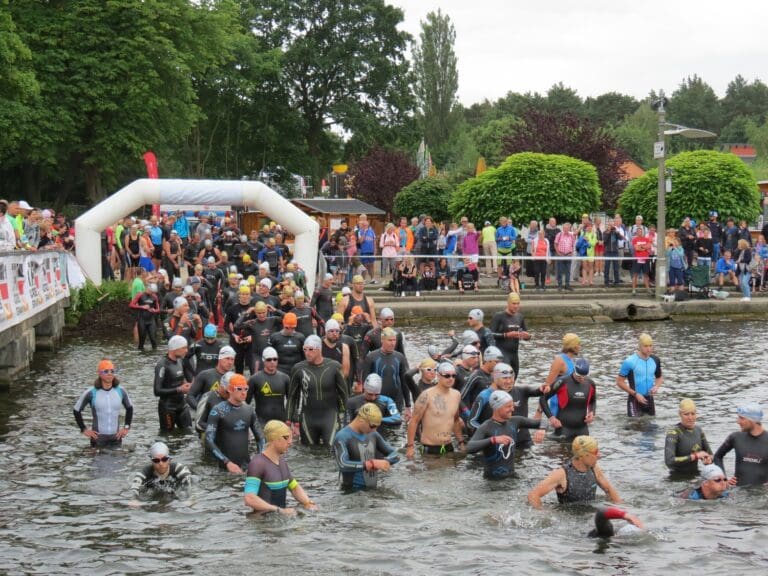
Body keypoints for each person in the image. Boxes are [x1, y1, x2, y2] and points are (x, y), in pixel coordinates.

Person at [466, 390, 547, 479]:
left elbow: (544, 422)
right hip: (492, 482)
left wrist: (542, 429)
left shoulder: (515, 421)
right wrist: (493, 440)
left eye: (512, 406)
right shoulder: (486, 426)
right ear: (497, 408)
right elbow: (469, 448)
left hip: (512, 477)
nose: (512, 409)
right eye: (508, 406)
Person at [244, 421, 317, 515]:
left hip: (280, 519)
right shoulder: (258, 463)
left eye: (291, 437)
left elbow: (294, 487)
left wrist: (308, 503)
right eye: (286, 438)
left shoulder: (281, 461)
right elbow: (249, 499)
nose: (290, 442)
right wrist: (279, 510)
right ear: (274, 439)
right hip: (262, 523)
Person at [287, 335, 348, 446]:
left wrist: (344, 417)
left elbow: (344, 394)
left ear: (319, 349)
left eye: (311, 349)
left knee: (331, 451)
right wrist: (289, 421)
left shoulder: (334, 366)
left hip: (330, 417)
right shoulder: (298, 369)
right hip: (307, 418)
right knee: (309, 454)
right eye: (305, 349)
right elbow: (292, 397)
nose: (307, 353)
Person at [528, 436, 621, 508]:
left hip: (589, 515)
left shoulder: (594, 468)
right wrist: (544, 515)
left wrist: (622, 509)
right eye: (596, 452)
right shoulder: (562, 474)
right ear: (583, 455)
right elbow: (533, 495)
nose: (599, 455)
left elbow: (609, 490)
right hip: (568, 522)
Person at [206, 373, 265, 473]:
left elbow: (260, 438)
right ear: (230, 389)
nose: (244, 393)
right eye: (239, 389)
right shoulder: (218, 411)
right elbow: (209, 440)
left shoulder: (249, 410)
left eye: (246, 389)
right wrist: (227, 462)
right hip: (225, 469)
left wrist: (259, 459)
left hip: (247, 467)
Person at [333, 403, 399, 490]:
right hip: (350, 493)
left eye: (376, 427)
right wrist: (370, 464)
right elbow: (343, 464)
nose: (374, 430)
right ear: (361, 420)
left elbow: (395, 454)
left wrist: (385, 461)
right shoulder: (342, 436)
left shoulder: (373, 434)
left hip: (372, 491)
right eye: (372, 426)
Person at [406, 362, 464, 458]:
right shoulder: (426, 395)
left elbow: (456, 420)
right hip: (430, 448)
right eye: (447, 376)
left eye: (453, 376)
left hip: (449, 446)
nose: (451, 378)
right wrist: (410, 446)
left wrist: (461, 442)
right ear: (438, 376)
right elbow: (414, 421)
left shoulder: (456, 395)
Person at [73, 360, 133, 448]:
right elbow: (76, 410)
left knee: (116, 460)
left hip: (116, 438)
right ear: (100, 374)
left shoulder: (121, 391)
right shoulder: (91, 392)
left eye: (112, 371)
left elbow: (130, 408)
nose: (109, 373)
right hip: (98, 439)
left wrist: (126, 427)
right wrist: (84, 429)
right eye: (106, 371)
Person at [540, 358, 596, 440]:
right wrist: (551, 417)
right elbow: (543, 398)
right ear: (574, 370)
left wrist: (592, 412)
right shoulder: (562, 382)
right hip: (563, 429)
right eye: (579, 376)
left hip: (582, 429)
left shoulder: (590, 384)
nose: (581, 378)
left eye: (584, 376)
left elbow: (593, 401)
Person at [714, 403, 768, 487]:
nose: (738, 421)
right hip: (738, 494)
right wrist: (724, 479)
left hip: (761, 495)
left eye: (741, 418)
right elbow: (717, 456)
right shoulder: (735, 437)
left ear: (752, 420)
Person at [360, 328, 411, 414]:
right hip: (376, 400)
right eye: (390, 340)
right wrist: (364, 403)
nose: (393, 343)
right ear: (382, 340)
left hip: (396, 400)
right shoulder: (371, 357)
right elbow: (365, 382)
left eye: (394, 340)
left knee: (396, 425)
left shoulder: (399, 357)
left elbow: (404, 382)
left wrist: (408, 406)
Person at [615, 333, 663, 417]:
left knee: (652, 427)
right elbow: (619, 382)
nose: (649, 349)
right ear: (639, 346)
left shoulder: (655, 360)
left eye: (650, 346)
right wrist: (635, 394)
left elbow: (659, 377)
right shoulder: (629, 361)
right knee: (635, 427)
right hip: (634, 399)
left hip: (649, 399)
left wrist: (656, 387)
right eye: (645, 346)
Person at [664, 398, 713, 476]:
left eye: (693, 414)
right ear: (680, 414)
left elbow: (710, 455)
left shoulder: (699, 431)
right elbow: (669, 461)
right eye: (686, 414)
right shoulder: (673, 433)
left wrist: (708, 460)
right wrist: (695, 456)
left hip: (696, 475)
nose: (690, 418)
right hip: (677, 478)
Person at [154, 335, 193, 431]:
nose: (186, 350)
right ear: (174, 349)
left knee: (188, 435)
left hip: (182, 405)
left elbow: (182, 378)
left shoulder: (181, 361)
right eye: (183, 348)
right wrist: (179, 389)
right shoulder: (162, 365)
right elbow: (157, 391)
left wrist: (188, 385)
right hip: (167, 408)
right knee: (168, 438)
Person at [489, 293, 531, 377]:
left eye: (518, 304)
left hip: (514, 354)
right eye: (513, 303)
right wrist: (506, 335)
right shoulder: (499, 316)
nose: (516, 306)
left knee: (513, 378)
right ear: (508, 303)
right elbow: (489, 334)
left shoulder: (520, 317)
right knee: (505, 377)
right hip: (502, 353)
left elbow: (525, 334)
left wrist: (528, 336)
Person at [246, 347, 290, 424]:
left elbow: (291, 401)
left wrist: (292, 420)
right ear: (263, 360)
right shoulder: (254, 379)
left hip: (281, 421)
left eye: (275, 359)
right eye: (269, 359)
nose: (272, 362)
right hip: (261, 421)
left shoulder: (285, 378)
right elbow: (246, 403)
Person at [129, 282, 161, 351]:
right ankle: (141, 356)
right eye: (152, 292)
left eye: (154, 292)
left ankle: (154, 355)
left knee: (153, 339)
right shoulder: (140, 295)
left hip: (151, 320)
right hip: (142, 320)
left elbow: (158, 309)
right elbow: (131, 305)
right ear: (147, 289)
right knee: (142, 341)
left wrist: (154, 310)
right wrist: (142, 307)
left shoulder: (154, 297)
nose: (153, 294)